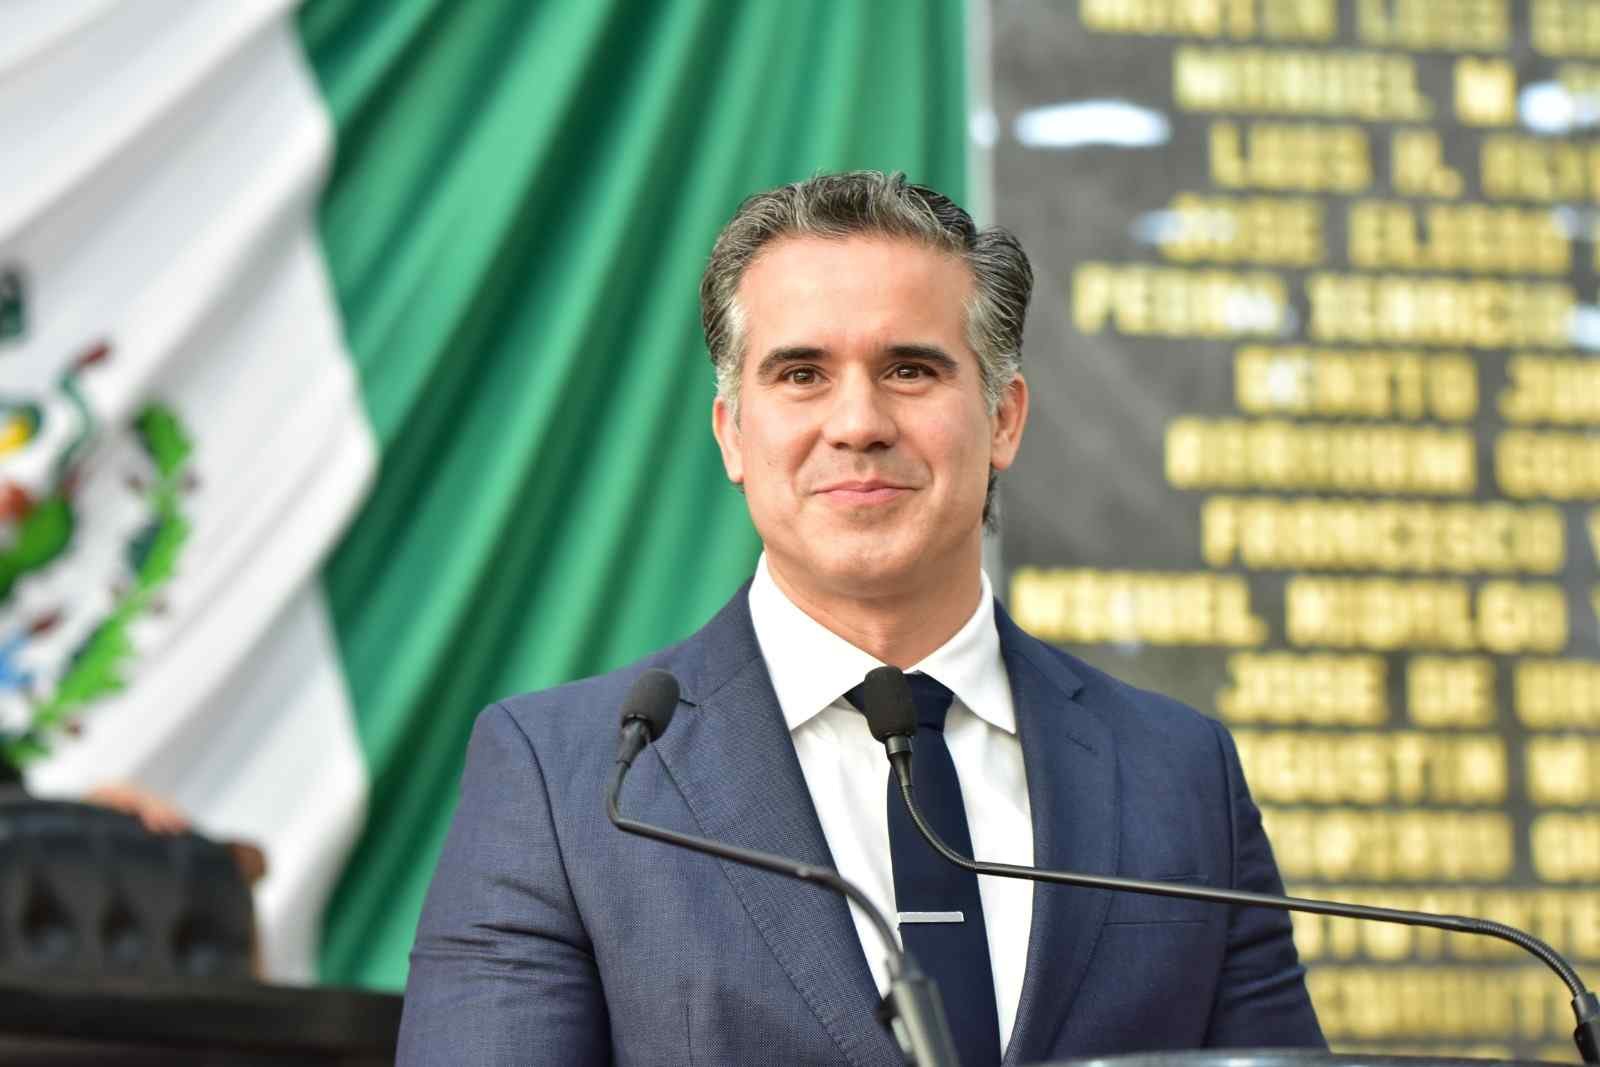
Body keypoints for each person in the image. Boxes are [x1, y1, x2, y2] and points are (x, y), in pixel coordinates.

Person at [397, 172, 1325, 1066]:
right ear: (732, 433)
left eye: (910, 369)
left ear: (1004, 420)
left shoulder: (1180, 773)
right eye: (802, 373)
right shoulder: (567, 779)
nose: (857, 423)